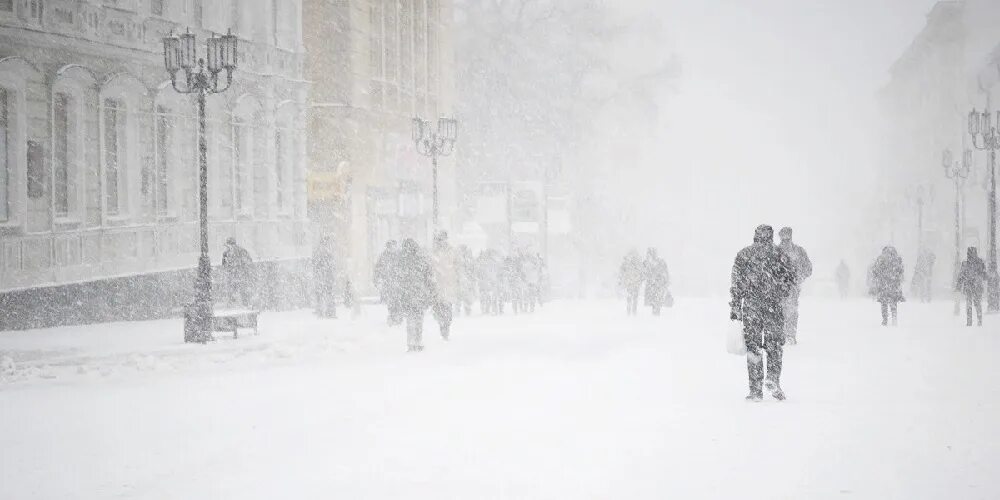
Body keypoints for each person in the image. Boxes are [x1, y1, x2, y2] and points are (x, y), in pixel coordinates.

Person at [730, 224, 796, 402]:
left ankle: (755, 390)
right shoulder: (779, 255)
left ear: (755, 236)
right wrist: (779, 291)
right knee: (774, 345)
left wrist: (736, 307)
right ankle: (773, 378)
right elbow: (791, 279)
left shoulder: (744, 255)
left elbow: (736, 283)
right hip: (773, 307)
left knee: (754, 348)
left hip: (752, 307)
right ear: (771, 236)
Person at [396, 238, 435, 352]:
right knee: (418, 319)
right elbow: (429, 277)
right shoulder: (421, 260)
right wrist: (430, 291)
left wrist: (401, 292)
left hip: (409, 295)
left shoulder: (402, 261)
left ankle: (411, 342)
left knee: (411, 320)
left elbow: (398, 278)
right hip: (419, 294)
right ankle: (417, 341)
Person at [778, 227, 812, 345]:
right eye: (784, 238)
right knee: (781, 311)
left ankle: (789, 335)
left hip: (792, 288)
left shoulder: (799, 251)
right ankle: (783, 335)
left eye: (787, 238)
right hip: (778, 288)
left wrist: (799, 277)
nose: (785, 241)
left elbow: (808, 269)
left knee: (790, 311)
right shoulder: (775, 251)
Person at [431, 232, 458, 340]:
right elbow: (432, 267)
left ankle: (445, 327)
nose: (443, 241)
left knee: (447, 309)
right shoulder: (434, 252)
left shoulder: (451, 251)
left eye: (444, 239)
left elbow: (455, 266)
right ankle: (442, 325)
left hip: (448, 284)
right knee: (439, 309)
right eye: (441, 239)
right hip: (438, 286)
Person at [870, 246, 905, 327]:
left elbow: (875, 271)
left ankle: (885, 320)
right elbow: (901, 271)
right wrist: (897, 278)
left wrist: (879, 277)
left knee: (884, 303)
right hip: (894, 285)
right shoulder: (897, 259)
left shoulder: (881, 259)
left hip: (883, 285)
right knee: (893, 302)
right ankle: (894, 318)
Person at [955, 247, 988, 327]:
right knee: (977, 304)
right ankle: (979, 321)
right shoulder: (980, 262)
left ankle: (970, 322)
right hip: (976, 286)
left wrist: (958, 286)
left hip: (969, 286)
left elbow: (961, 276)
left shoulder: (965, 263)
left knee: (969, 304)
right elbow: (984, 275)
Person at [374, 241, 402, 325]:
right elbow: (378, 269)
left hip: (396, 283)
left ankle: (396, 316)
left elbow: (403, 268)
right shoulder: (384, 256)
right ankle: (393, 316)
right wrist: (377, 279)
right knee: (391, 301)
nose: (393, 248)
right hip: (389, 283)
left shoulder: (399, 255)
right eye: (391, 246)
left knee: (396, 301)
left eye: (394, 246)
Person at [221, 237, 254, 308]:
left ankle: (234, 304)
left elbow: (224, 265)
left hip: (233, 275)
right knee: (242, 290)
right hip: (241, 274)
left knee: (233, 290)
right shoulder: (242, 251)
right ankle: (245, 304)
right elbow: (249, 261)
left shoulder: (226, 253)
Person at [312, 236, 337, 318]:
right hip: (324, 279)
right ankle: (325, 312)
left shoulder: (322, 253)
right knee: (325, 295)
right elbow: (318, 266)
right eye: (326, 243)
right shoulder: (323, 253)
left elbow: (317, 266)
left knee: (325, 295)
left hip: (324, 279)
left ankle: (325, 312)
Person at [643, 248, 671, 316]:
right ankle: (656, 314)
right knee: (656, 301)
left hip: (656, 285)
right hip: (657, 285)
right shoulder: (658, 262)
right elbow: (666, 273)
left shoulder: (651, 262)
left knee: (656, 301)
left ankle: (656, 315)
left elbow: (644, 273)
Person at [619, 250, 644, 316]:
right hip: (634, 283)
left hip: (630, 283)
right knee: (634, 298)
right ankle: (632, 311)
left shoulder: (628, 263)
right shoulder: (637, 263)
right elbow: (641, 274)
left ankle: (630, 311)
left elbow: (622, 271)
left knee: (630, 298)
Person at [476, 249, 502, 315]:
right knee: (491, 297)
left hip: (489, 282)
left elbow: (498, 272)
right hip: (489, 282)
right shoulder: (492, 263)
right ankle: (491, 310)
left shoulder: (485, 263)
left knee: (489, 297)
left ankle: (488, 310)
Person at [456, 245, 477, 316]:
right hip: (462, 280)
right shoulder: (459, 259)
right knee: (460, 296)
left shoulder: (467, 259)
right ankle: (459, 310)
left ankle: (464, 309)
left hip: (465, 280)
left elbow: (473, 269)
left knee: (464, 296)